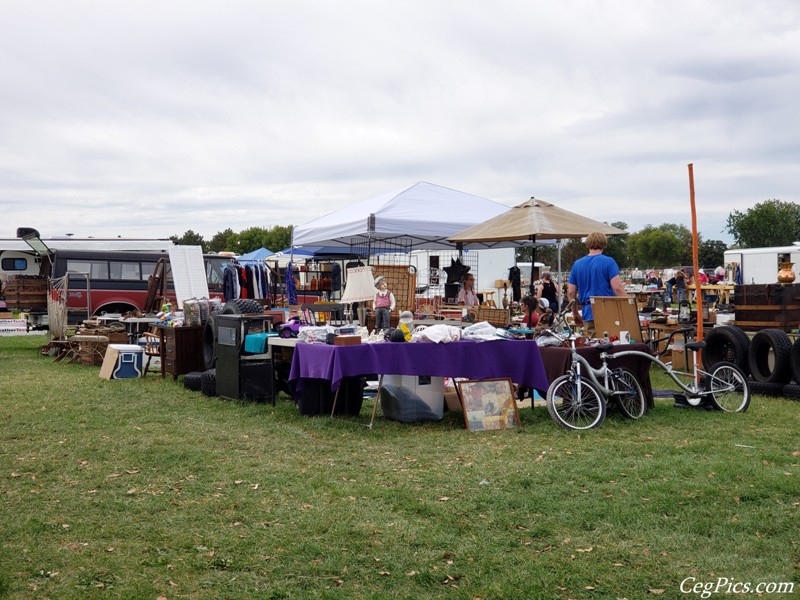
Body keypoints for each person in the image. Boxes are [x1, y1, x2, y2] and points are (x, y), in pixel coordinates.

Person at [567, 232, 628, 337]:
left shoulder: (577, 264)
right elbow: (617, 288)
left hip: (588, 311)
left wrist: (575, 312)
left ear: (587, 244)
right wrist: (628, 306)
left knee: (591, 346)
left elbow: (571, 292)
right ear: (604, 244)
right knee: (609, 344)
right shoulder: (609, 262)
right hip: (607, 310)